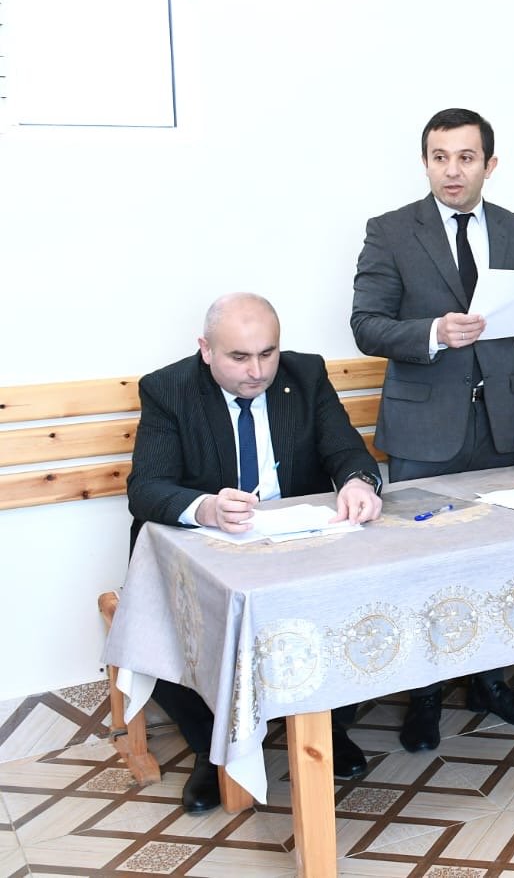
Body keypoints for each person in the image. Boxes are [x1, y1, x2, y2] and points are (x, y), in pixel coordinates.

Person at [126, 293, 384, 813]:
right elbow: (146, 488)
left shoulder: (305, 375)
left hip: (294, 545)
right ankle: (212, 749)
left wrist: (358, 481)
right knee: (184, 623)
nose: (258, 371)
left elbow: (346, 451)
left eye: (268, 353)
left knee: (352, 602)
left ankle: (328, 725)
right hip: (208, 548)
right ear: (206, 350)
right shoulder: (169, 389)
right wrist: (204, 507)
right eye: (239, 357)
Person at [351, 107, 514, 752]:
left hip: (501, 429)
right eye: (439, 157)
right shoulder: (390, 231)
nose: (451, 170)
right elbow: (366, 324)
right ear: (425, 162)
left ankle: (491, 682)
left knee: (497, 560)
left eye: (466, 157)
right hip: (423, 431)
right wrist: (433, 332)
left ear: (489, 165)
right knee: (422, 566)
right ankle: (424, 697)